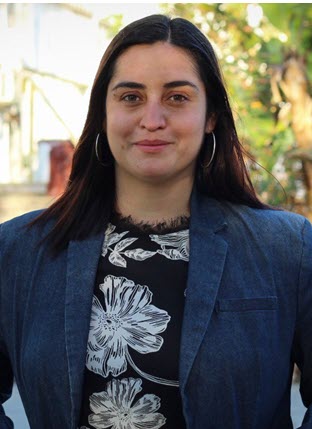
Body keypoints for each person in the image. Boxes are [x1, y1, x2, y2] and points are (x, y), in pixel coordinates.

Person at [0, 14, 311, 429]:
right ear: (104, 111)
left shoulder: (287, 249)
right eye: (130, 97)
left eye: (177, 97)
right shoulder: (19, 250)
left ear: (211, 115)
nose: (152, 119)